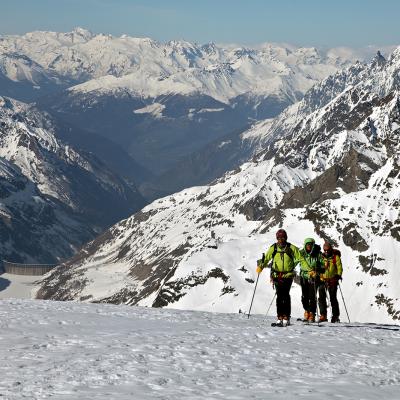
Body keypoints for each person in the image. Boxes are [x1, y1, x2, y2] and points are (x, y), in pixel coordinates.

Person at [256, 229, 303, 327]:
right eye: (279, 238)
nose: (281, 240)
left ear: (285, 238)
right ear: (277, 238)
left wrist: (292, 265)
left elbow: (299, 258)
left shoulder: (291, 248)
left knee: (285, 295)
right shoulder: (273, 248)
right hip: (276, 275)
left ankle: (286, 317)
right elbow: (267, 258)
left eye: (282, 237)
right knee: (280, 296)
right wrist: (261, 266)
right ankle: (280, 316)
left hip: (288, 275)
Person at [299, 238, 325, 322]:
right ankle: (307, 310)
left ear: (313, 245)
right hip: (304, 277)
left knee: (312, 296)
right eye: (307, 244)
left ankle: (312, 314)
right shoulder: (301, 253)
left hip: (314, 277)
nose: (309, 246)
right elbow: (295, 261)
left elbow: (323, 266)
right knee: (304, 296)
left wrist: (317, 269)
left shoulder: (318, 254)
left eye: (310, 244)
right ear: (305, 245)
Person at [319, 242, 343, 323]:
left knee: (333, 298)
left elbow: (339, 267)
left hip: (332, 280)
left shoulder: (335, 257)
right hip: (323, 279)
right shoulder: (321, 257)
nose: (326, 252)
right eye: (324, 250)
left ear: (330, 249)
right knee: (321, 298)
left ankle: (335, 316)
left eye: (327, 250)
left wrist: (338, 275)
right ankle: (323, 315)